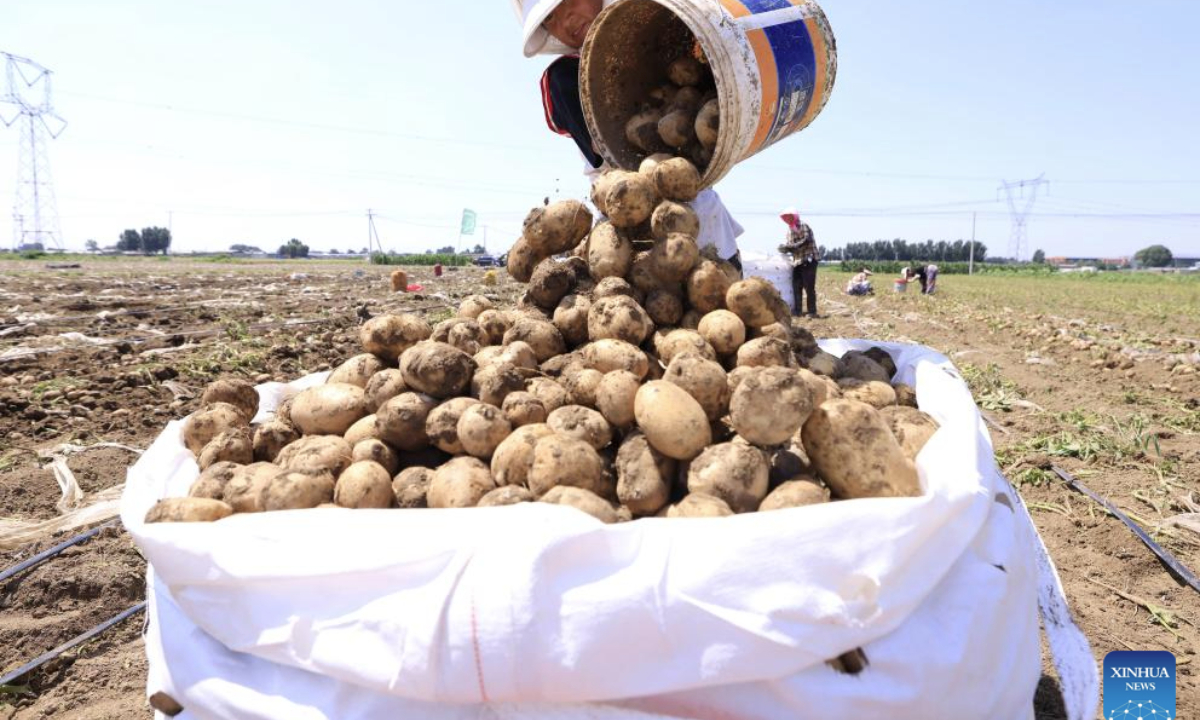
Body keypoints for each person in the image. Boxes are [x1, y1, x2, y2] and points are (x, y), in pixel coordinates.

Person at [512, 0, 745, 273]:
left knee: (724, 292)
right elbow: (605, 148)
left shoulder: (655, 41)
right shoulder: (563, 76)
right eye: (550, 19)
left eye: (569, 1)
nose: (567, 21)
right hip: (625, 224)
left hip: (700, 216)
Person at [777, 208, 819, 316]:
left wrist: (791, 246)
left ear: (795, 216)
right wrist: (785, 248)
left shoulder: (803, 226)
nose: (788, 219)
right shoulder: (789, 231)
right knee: (796, 286)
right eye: (785, 218)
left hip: (809, 259)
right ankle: (798, 311)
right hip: (797, 261)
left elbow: (806, 240)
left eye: (790, 216)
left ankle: (812, 311)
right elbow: (790, 246)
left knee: (809, 287)